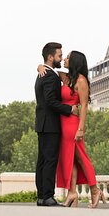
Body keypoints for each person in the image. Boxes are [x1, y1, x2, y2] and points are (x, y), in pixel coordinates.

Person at [38, 50, 105, 208]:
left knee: (81, 157)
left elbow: (84, 106)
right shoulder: (65, 77)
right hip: (62, 122)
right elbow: (49, 69)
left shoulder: (81, 81)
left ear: (74, 61)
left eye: (67, 57)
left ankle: (95, 190)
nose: (65, 59)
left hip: (73, 124)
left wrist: (81, 127)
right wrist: (39, 66)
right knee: (70, 159)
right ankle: (72, 192)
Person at [34, 42, 79, 207]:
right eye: (60, 56)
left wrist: (39, 66)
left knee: (43, 161)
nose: (61, 58)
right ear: (51, 57)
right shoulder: (50, 76)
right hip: (50, 124)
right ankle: (47, 196)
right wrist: (70, 109)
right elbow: (51, 101)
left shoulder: (44, 73)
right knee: (50, 160)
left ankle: (42, 196)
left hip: (43, 123)